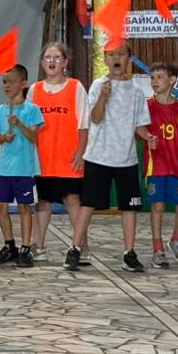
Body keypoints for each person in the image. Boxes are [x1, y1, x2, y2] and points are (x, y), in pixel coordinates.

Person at [67, 44, 153, 273]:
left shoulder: (136, 91)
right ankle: (75, 248)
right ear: (105, 59)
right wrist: (103, 97)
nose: (117, 58)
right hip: (99, 156)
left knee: (129, 207)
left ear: (128, 59)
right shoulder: (98, 85)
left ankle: (129, 253)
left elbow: (140, 125)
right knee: (88, 203)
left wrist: (149, 137)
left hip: (126, 158)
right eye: (112, 55)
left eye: (121, 55)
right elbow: (95, 118)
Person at [28, 42, 88, 262]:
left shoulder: (75, 87)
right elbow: (28, 125)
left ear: (65, 62)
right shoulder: (34, 90)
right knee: (42, 202)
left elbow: (84, 124)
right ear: (42, 62)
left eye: (56, 57)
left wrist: (80, 152)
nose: (51, 61)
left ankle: (80, 247)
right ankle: (39, 246)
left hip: (69, 157)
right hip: (42, 158)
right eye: (47, 57)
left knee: (73, 200)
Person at [0, 65, 43, 268]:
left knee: (24, 207)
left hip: (24, 168)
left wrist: (19, 124)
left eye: (12, 81)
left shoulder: (32, 110)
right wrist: (4, 138)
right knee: (0, 206)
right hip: (5, 168)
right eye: (4, 82)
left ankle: (25, 249)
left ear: (23, 83)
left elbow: (34, 137)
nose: (7, 85)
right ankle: (9, 246)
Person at [143, 63, 178, 269]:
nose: (155, 81)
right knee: (157, 206)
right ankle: (157, 249)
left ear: (173, 80)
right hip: (156, 166)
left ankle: (176, 239)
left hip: (177, 166)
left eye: (159, 77)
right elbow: (139, 128)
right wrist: (147, 138)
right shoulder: (147, 106)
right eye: (152, 78)